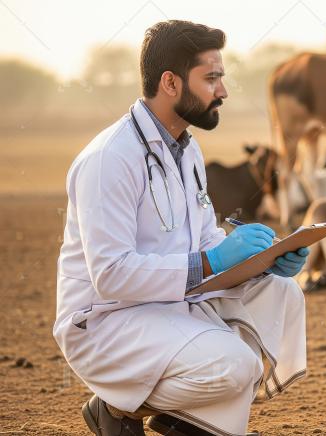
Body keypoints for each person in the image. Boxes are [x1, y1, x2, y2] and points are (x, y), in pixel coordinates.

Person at [53, 20, 308, 436]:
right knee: (236, 365)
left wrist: (268, 259)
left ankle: (187, 419)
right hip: (108, 322)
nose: (222, 92)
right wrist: (212, 260)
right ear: (170, 83)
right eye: (211, 79)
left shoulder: (187, 151)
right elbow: (112, 276)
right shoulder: (109, 160)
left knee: (282, 292)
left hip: (170, 306)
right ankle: (118, 408)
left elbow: (206, 242)